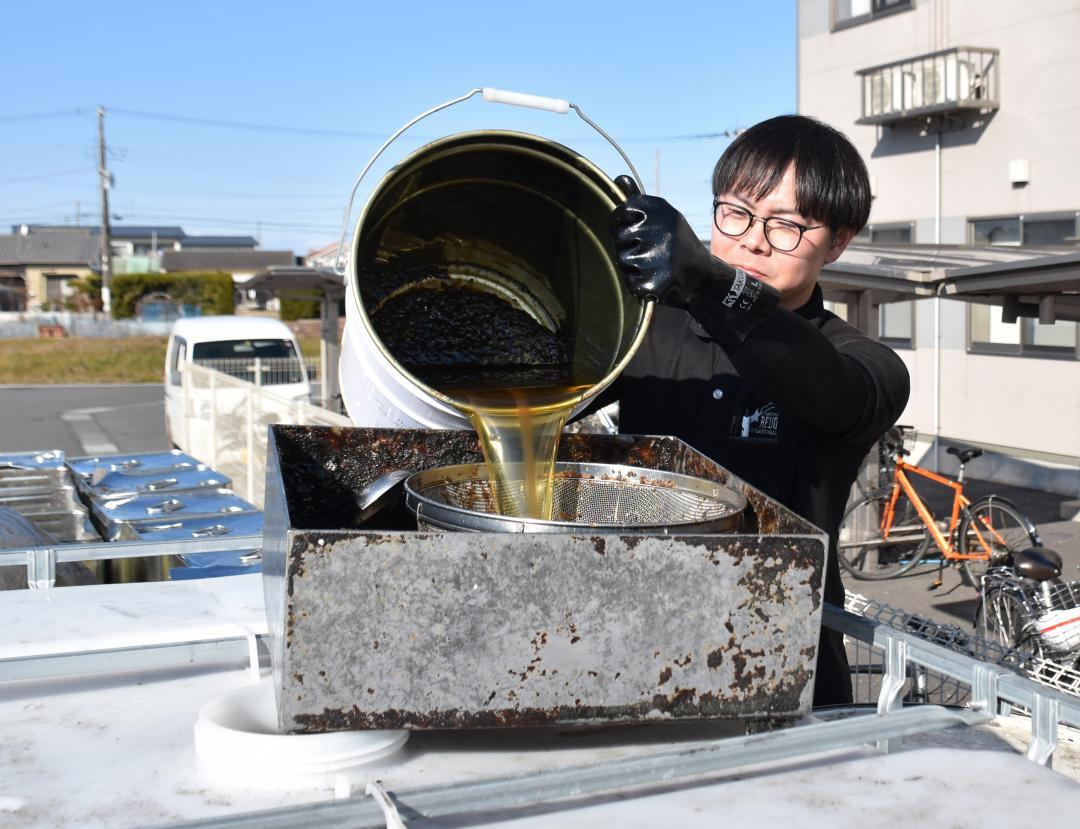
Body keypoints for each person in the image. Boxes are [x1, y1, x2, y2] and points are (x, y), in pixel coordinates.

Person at [607, 114, 910, 706]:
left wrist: (708, 281)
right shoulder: (645, 328)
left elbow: (823, 386)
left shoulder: (864, 363)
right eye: (736, 213)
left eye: (786, 226)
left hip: (782, 667)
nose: (751, 239)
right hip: (636, 648)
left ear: (839, 240)